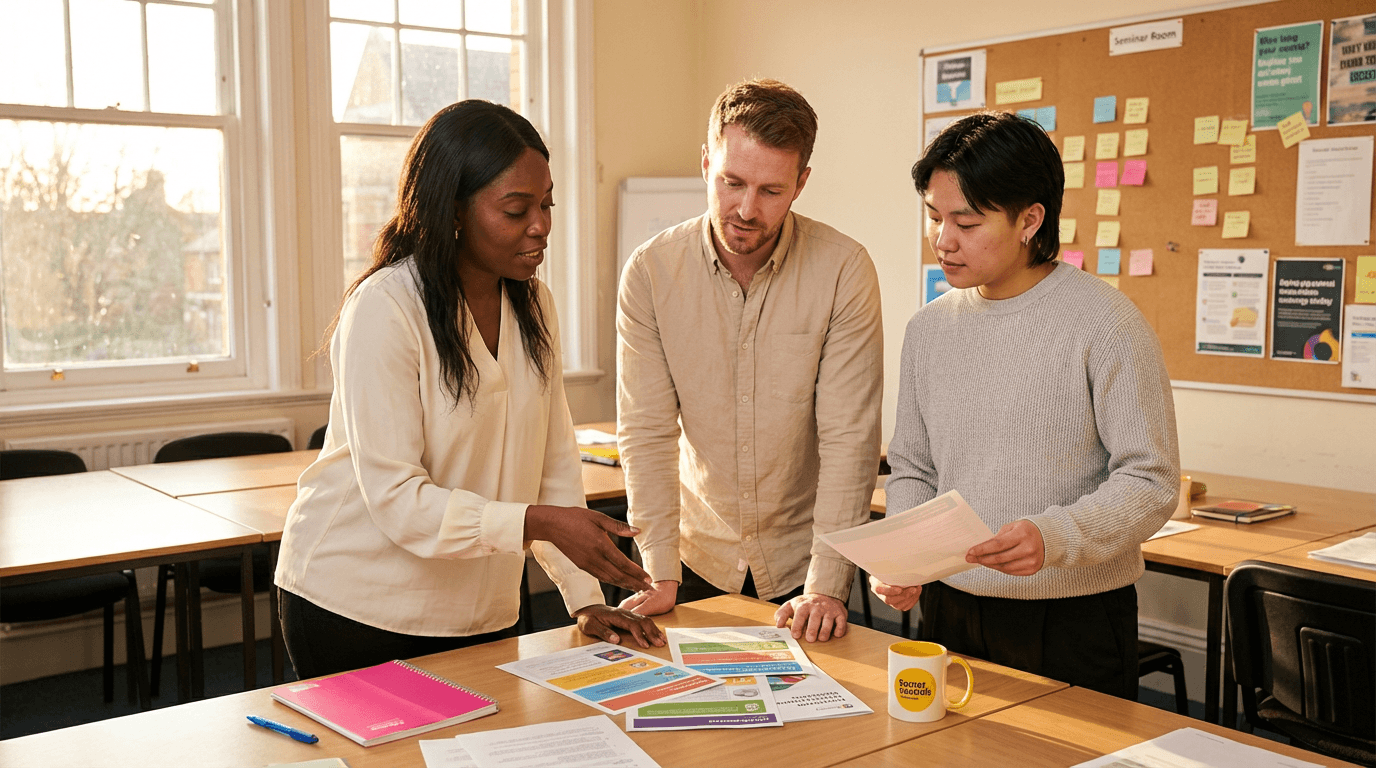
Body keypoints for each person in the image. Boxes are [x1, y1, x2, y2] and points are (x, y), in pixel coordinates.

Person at [275, 101, 662, 680]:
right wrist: (535, 523)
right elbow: (399, 500)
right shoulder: (386, 307)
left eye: (547, 203)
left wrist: (585, 597)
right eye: (516, 209)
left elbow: (553, 462)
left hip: (478, 611)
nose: (542, 225)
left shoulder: (533, 304)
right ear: (453, 210)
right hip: (357, 607)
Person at [873, 111, 1180, 698]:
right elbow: (913, 467)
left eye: (965, 222)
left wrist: (1056, 535)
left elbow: (1152, 478)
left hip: (1074, 617)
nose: (943, 239)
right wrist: (909, 555)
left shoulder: (1106, 322)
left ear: (1030, 220)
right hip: (952, 611)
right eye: (934, 218)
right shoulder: (929, 331)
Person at [615, 79, 883, 643]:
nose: (745, 209)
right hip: (693, 558)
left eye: (770, 191)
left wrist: (829, 583)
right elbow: (647, 432)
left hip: (804, 565)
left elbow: (848, 439)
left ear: (801, 183)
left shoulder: (842, 271)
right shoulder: (651, 273)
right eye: (731, 182)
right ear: (707, 161)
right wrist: (657, 564)